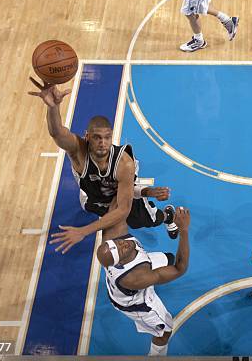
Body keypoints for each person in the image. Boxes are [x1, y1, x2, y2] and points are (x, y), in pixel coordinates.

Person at [28, 78, 178, 254]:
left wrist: (83, 231)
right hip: (94, 197)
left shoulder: (124, 163)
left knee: (142, 221)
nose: (103, 142)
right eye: (97, 137)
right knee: (107, 228)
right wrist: (53, 107)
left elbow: (123, 209)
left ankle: (168, 216)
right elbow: (57, 133)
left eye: (107, 137)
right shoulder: (78, 150)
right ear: (87, 136)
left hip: (121, 193)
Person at [97, 206, 191, 356]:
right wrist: (184, 231)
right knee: (165, 331)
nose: (124, 244)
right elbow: (180, 269)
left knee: (169, 258)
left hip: (139, 267)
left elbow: (120, 204)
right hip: (136, 303)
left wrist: (144, 192)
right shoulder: (135, 278)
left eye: (118, 244)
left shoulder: (113, 235)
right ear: (119, 262)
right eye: (121, 250)